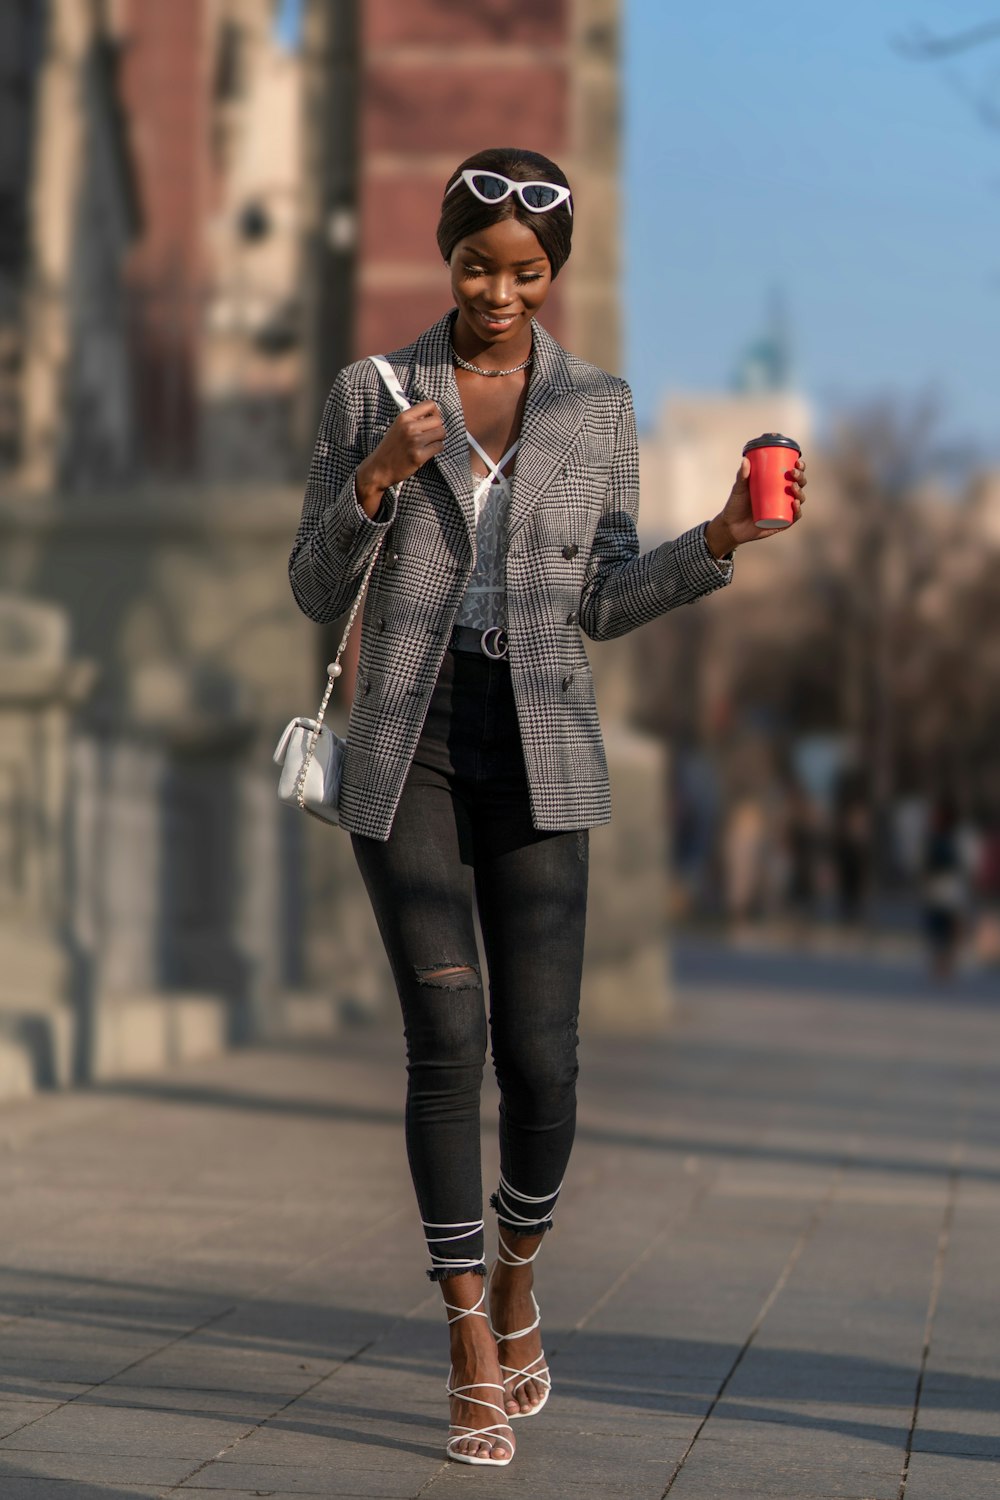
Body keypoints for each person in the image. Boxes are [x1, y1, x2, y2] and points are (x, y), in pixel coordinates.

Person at [288, 146, 806, 1467]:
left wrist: (722, 544)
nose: (498, 293)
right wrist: (372, 484)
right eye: (476, 265)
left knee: (547, 1063)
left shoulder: (600, 409)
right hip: (409, 744)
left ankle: (520, 1273)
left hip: (544, 746)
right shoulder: (378, 392)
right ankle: (466, 1327)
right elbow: (308, 580)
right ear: (445, 259)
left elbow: (602, 602)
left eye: (525, 272)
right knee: (446, 1035)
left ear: (552, 276)